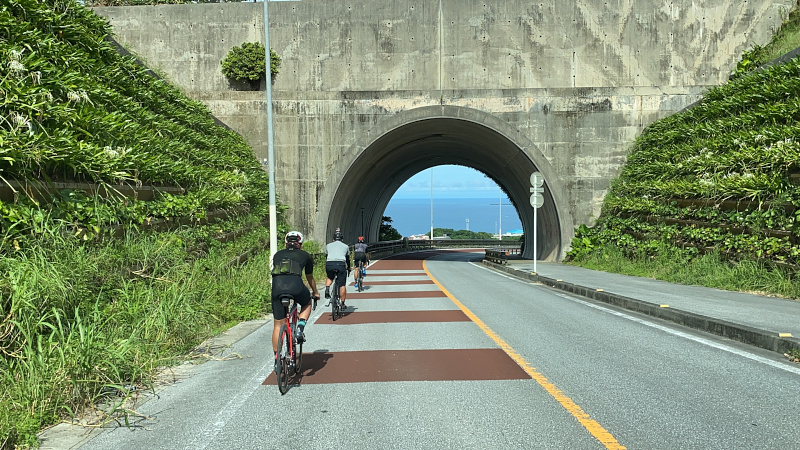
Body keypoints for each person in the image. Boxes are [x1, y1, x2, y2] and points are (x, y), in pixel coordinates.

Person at [271, 231, 319, 368]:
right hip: (296, 287)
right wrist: (315, 292)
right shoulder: (305, 256)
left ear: (286, 243)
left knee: (277, 325)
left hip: (277, 288)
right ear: (301, 245)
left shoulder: (277, 255)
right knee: (307, 302)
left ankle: (276, 360)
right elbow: (309, 277)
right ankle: (300, 328)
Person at [324, 228, 351, 309]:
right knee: (342, 284)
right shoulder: (346, 246)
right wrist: (349, 267)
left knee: (329, 277)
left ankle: (327, 288)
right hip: (341, 264)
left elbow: (326, 256)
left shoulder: (328, 245)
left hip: (329, 264)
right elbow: (347, 259)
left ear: (333, 239)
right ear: (342, 239)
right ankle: (342, 304)